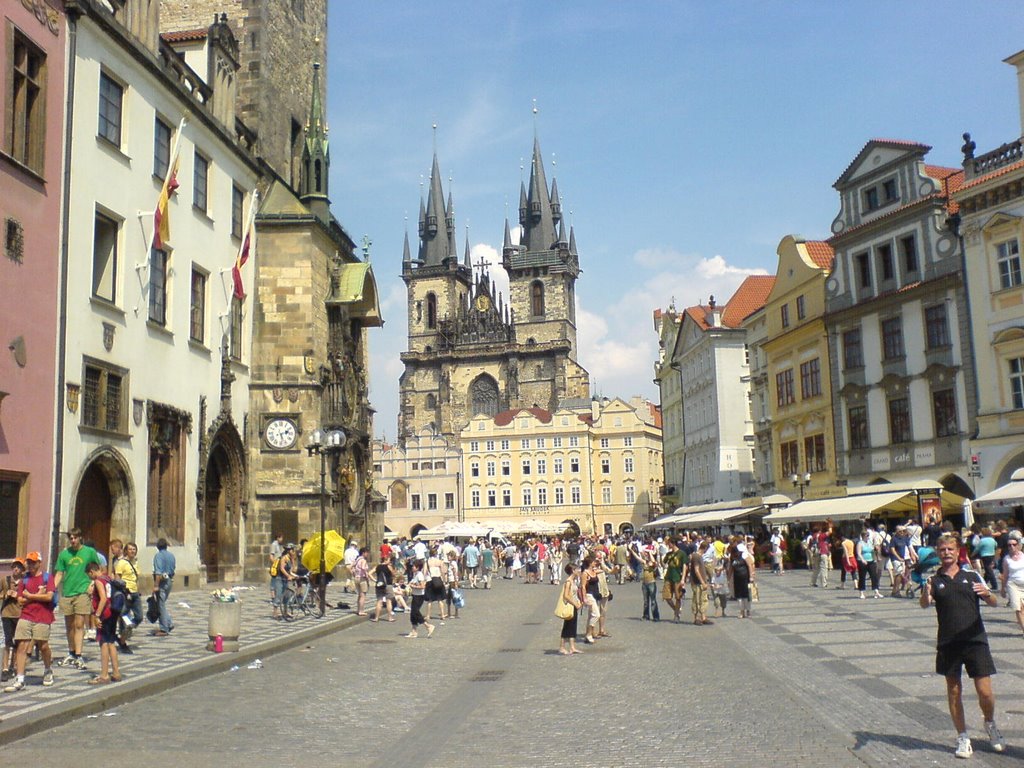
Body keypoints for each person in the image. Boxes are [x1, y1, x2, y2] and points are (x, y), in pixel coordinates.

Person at [920, 534, 1005, 758]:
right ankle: (963, 736)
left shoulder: (972, 574)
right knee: (954, 690)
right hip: (948, 642)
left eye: (950, 549)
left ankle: (990, 723)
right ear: (937, 553)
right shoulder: (934, 580)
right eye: (942, 549)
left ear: (958, 552)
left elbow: (994, 602)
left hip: (975, 640)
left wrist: (987, 594)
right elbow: (924, 605)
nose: (946, 553)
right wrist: (926, 594)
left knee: (985, 691)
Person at [3, 552, 55, 692]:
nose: (30, 565)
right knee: (21, 645)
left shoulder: (47, 578)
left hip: (43, 616)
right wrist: (38, 596)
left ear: (39, 563)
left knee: (43, 645)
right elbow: (20, 600)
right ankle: (20, 679)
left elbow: (49, 597)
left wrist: (30, 596)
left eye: (33, 562)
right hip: (26, 615)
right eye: (29, 562)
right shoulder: (24, 579)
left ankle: (48, 669)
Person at [54, 528, 100, 668]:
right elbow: (59, 574)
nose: (73, 541)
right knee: (70, 626)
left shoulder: (89, 552)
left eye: (75, 538)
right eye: (71, 538)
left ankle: (79, 655)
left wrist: (93, 583)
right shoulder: (64, 554)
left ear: (80, 537)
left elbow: (98, 569)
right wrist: (51, 588)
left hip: (82, 591)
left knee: (79, 624)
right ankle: (71, 652)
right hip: (67, 592)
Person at [85, 561, 120, 684]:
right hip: (113, 613)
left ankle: (104, 675)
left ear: (91, 572)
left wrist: (97, 615)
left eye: (89, 575)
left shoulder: (98, 581)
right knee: (111, 642)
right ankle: (116, 672)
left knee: (103, 643)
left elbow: (103, 598)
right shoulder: (108, 578)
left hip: (105, 614)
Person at [112, 541, 142, 653]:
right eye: (130, 549)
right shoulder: (121, 563)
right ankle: (123, 641)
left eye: (134, 549)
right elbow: (117, 578)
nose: (132, 551)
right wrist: (122, 591)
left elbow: (136, 578)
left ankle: (128, 629)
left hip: (135, 593)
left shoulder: (135, 563)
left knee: (139, 617)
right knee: (123, 615)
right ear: (126, 551)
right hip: (126, 593)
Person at [2, 559, 26, 682]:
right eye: (14, 567)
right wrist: (6, 595)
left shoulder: (25, 581)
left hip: (19, 615)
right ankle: (5, 668)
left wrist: (18, 596)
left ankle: (14, 665)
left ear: (22, 570)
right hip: (7, 614)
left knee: (18, 642)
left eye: (18, 567)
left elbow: (27, 597)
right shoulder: (5, 580)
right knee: (7, 641)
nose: (16, 569)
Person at [999, 531, 1024, 638]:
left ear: (1018, 545)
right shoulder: (1006, 559)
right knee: (1018, 608)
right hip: (1013, 584)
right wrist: (1003, 589)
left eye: (1014, 545)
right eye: (1009, 545)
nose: (1011, 547)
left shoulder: (1023, 556)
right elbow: (1005, 575)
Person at [152, 538, 176, 636]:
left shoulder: (158, 556)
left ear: (157, 546)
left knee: (160, 605)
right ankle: (169, 623)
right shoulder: (171, 556)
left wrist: (156, 585)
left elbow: (158, 572)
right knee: (161, 604)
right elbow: (173, 568)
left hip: (162, 582)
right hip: (169, 580)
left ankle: (164, 628)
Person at [405, 560, 434, 639]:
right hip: (415, 595)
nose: (412, 567)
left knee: (415, 612)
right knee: (413, 614)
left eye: (413, 566)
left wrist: (413, 586)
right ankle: (414, 631)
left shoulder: (420, 575)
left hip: (419, 596)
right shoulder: (415, 574)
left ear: (417, 567)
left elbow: (422, 586)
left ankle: (428, 626)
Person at [558, 563, 583, 655]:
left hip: (574, 606)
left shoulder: (574, 581)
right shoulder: (568, 581)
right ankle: (562, 647)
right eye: (577, 569)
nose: (579, 571)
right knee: (567, 627)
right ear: (573, 571)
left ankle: (572, 647)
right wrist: (575, 604)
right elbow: (566, 596)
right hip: (570, 606)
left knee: (573, 626)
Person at [729, 542, 756, 618]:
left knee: (747, 595)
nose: (735, 554)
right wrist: (728, 579)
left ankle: (748, 611)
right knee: (739, 596)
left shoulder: (744, 556)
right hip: (737, 579)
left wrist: (751, 576)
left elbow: (750, 565)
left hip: (746, 578)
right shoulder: (732, 558)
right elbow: (731, 568)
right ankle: (741, 611)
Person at [690, 541, 712, 625]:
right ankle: (696, 618)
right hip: (697, 582)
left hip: (702, 582)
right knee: (696, 600)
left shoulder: (699, 556)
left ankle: (703, 617)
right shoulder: (696, 556)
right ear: (705, 548)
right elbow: (696, 570)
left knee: (703, 599)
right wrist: (702, 582)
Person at [856, 529, 883, 599]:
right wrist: (862, 559)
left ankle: (876, 591)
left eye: (868, 535)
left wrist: (876, 552)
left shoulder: (870, 542)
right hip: (863, 561)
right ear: (863, 536)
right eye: (867, 535)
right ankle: (861, 592)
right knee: (862, 577)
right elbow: (858, 553)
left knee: (874, 576)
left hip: (871, 560)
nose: (868, 537)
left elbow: (873, 550)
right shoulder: (860, 543)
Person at [370, 557, 396, 623]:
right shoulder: (388, 566)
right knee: (388, 601)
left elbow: (369, 573)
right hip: (388, 585)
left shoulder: (377, 567)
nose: (389, 562)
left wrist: (375, 580)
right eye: (389, 560)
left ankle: (376, 618)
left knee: (379, 601)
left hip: (379, 585)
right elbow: (394, 574)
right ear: (385, 560)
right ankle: (390, 617)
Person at [640, 548, 660, 621]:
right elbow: (638, 557)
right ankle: (646, 615)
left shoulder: (653, 564)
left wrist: (650, 553)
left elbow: (654, 562)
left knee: (653, 600)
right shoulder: (644, 562)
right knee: (646, 601)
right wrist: (631, 550)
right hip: (644, 583)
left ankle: (656, 616)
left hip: (651, 583)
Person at [353, 547, 371, 616]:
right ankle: (361, 611)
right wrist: (366, 574)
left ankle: (358, 610)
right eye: (367, 553)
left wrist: (354, 573)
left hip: (356, 578)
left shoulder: (357, 559)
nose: (367, 554)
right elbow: (363, 567)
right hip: (362, 579)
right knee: (363, 595)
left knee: (359, 595)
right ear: (363, 553)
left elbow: (351, 566)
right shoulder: (363, 560)